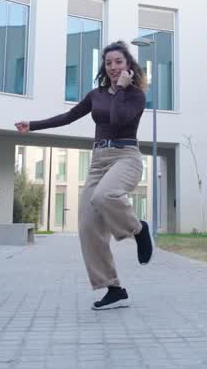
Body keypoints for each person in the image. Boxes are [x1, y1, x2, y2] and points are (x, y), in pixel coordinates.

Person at [15, 41, 155, 311]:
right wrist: (33, 125)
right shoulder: (96, 95)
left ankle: (139, 229)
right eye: (108, 62)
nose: (113, 67)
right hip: (98, 161)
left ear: (128, 65)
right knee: (88, 226)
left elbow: (118, 120)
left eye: (119, 62)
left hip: (126, 156)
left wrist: (122, 88)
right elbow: (69, 116)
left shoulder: (135, 95)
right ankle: (114, 289)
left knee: (105, 196)